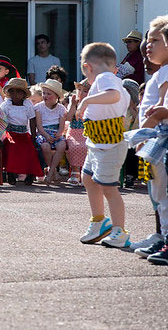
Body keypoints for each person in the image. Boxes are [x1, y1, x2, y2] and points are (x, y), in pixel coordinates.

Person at [77, 42, 131, 248]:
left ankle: (119, 230)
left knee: (109, 188)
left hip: (110, 144)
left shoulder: (105, 77)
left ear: (87, 67)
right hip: (98, 142)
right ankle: (99, 221)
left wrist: (86, 102)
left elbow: (114, 96)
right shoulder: (109, 78)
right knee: (88, 178)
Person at [130, 18, 168, 261]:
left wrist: (145, 132)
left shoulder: (165, 71)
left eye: (155, 40)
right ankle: (164, 239)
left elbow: (162, 108)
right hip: (156, 137)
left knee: (164, 193)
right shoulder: (159, 73)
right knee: (159, 194)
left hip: (161, 138)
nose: (147, 45)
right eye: (148, 40)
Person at [1, 77, 41, 186]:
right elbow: (2, 121)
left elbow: (32, 120)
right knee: (12, 147)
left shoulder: (27, 104)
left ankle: (30, 174)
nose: (15, 94)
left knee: (30, 149)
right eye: (12, 91)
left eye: (18, 91)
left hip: (24, 133)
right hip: (11, 133)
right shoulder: (6, 105)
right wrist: (2, 136)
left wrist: (33, 136)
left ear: (24, 94)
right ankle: (10, 173)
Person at [35, 79, 68, 185]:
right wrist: (46, 135)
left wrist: (58, 134)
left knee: (62, 145)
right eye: (44, 93)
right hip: (43, 132)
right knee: (45, 146)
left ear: (57, 96)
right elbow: (39, 126)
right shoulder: (39, 107)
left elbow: (61, 126)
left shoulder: (61, 108)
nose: (45, 96)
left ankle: (51, 172)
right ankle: (52, 171)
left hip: (56, 131)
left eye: (49, 94)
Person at [64, 79, 90, 187]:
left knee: (86, 146)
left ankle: (85, 172)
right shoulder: (73, 101)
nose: (81, 93)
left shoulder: (91, 104)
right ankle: (75, 171)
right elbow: (69, 118)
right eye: (79, 90)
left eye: (85, 91)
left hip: (86, 131)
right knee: (73, 146)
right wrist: (73, 105)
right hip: (73, 131)